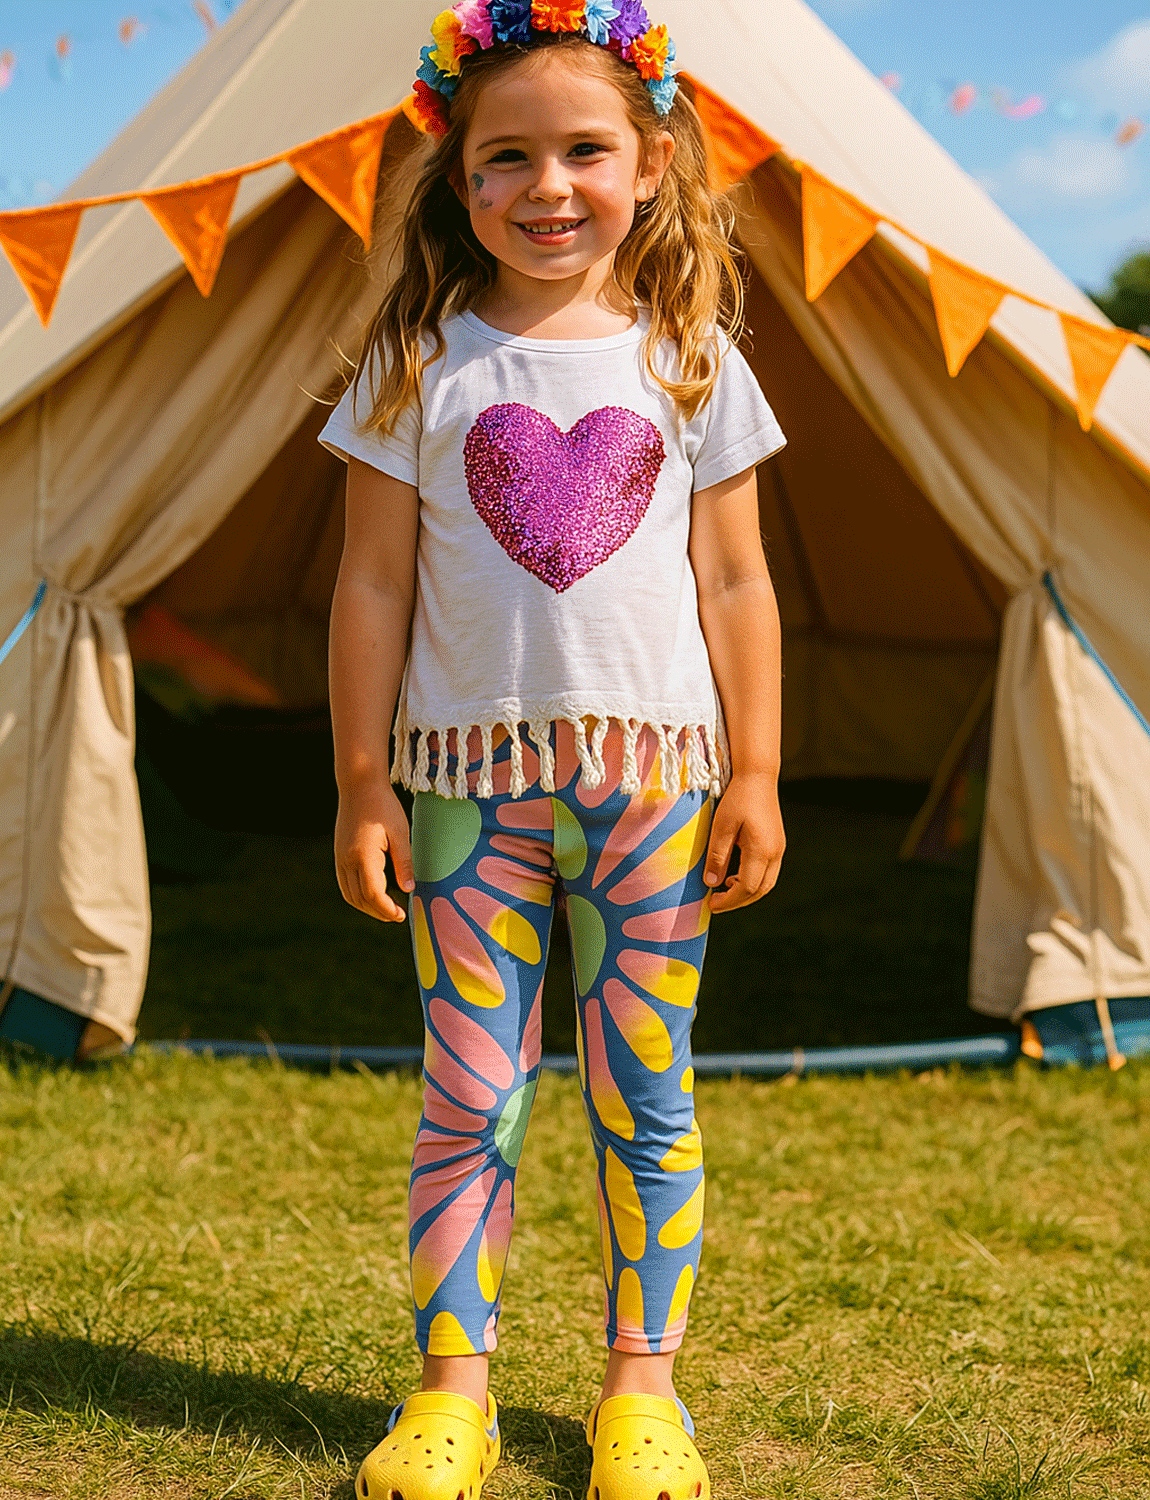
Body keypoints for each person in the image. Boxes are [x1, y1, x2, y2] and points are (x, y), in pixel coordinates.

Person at [319, 4, 786, 1495]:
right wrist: (359, 781)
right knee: (472, 1092)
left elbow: (735, 583)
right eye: (503, 158)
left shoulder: (693, 360)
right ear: (460, 184)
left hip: (653, 787)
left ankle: (639, 1393)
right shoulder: (413, 366)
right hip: (462, 795)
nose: (547, 187)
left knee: (646, 1095)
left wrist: (760, 771)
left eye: (584, 150)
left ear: (650, 163)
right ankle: (448, 1395)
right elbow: (373, 585)